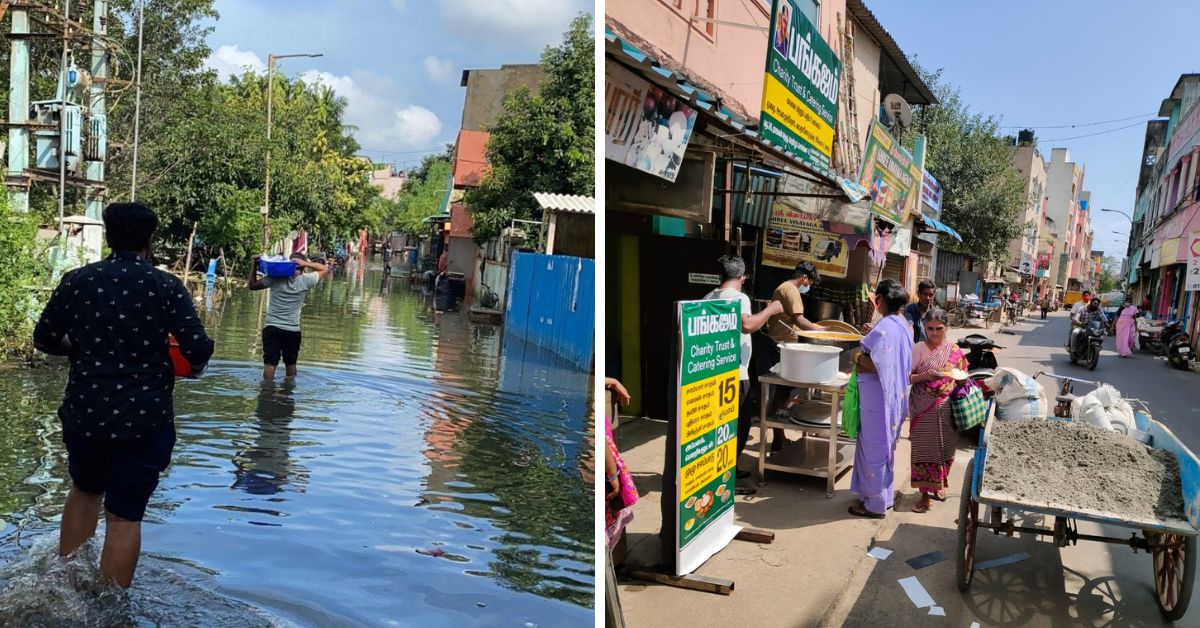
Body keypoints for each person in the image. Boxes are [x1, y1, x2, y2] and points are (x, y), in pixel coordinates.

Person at [33, 202, 215, 588]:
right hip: (143, 419)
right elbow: (197, 348)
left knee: (84, 491)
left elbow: (45, 338)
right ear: (150, 240)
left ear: (110, 236)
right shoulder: (165, 286)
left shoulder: (78, 280)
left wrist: (81, 347)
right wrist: (186, 365)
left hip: (86, 412)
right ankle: (110, 608)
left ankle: (64, 586)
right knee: (124, 516)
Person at [704, 256, 784, 495]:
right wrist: (771, 309)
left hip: (713, 372)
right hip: (734, 375)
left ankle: (728, 469)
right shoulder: (739, 298)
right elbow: (747, 325)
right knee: (738, 424)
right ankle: (726, 479)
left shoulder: (708, 297)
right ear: (742, 278)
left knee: (721, 425)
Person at [847, 279, 913, 518]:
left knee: (874, 449)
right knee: (884, 449)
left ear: (880, 300)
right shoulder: (903, 324)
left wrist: (856, 358)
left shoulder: (885, 327)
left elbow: (873, 363)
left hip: (879, 400)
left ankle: (874, 505)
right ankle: (879, 495)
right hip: (894, 398)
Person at [760, 262, 824, 444]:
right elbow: (800, 319)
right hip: (781, 346)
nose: (808, 286)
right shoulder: (792, 290)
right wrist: (820, 330)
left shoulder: (784, 287)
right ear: (803, 277)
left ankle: (779, 438)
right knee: (782, 391)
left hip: (779, 343)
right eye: (809, 282)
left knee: (784, 391)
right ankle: (778, 439)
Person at [907, 310, 964, 513]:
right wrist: (926, 376)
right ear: (924, 328)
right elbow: (907, 377)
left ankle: (938, 485)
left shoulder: (953, 349)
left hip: (946, 407)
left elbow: (963, 374)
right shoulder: (919, 348)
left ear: (946, 328)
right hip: (922, 406)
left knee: (946, 448)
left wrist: (960, 378)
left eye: (938, 328)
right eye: (929, 328)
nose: (934, 332)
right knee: (925, 451)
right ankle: (924, 496)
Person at [249, 252, 330, 380]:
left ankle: (267, 394)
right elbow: (325, 269)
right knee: (291, 365)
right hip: (292, 331)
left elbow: (252, 286)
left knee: (270, 364)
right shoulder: (306, 280)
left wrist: (254, 266)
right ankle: (288, 395)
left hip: (272, 329)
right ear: (303, 268)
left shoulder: (275, 278)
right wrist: (305, 263)